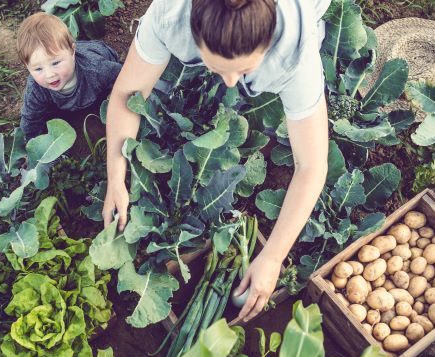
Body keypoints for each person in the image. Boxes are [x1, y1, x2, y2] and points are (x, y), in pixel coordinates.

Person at [103, 0, 331, 322]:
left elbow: (312, 166)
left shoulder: (295, 52)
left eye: (245, 70)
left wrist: (273, 256)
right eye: (216, 67)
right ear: (193, 32)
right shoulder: (170, 14)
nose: (230, 82)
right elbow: (127, 97)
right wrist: (116, 174)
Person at [17, 12, 122, 140]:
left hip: (98, 61)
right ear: (27, 67)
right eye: (38, 69)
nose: (49, 74)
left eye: (55, 63)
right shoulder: (36, 88)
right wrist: (26, 145)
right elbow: (30, 118)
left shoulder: (96, 70)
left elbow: (123, 77)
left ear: (72, 52)